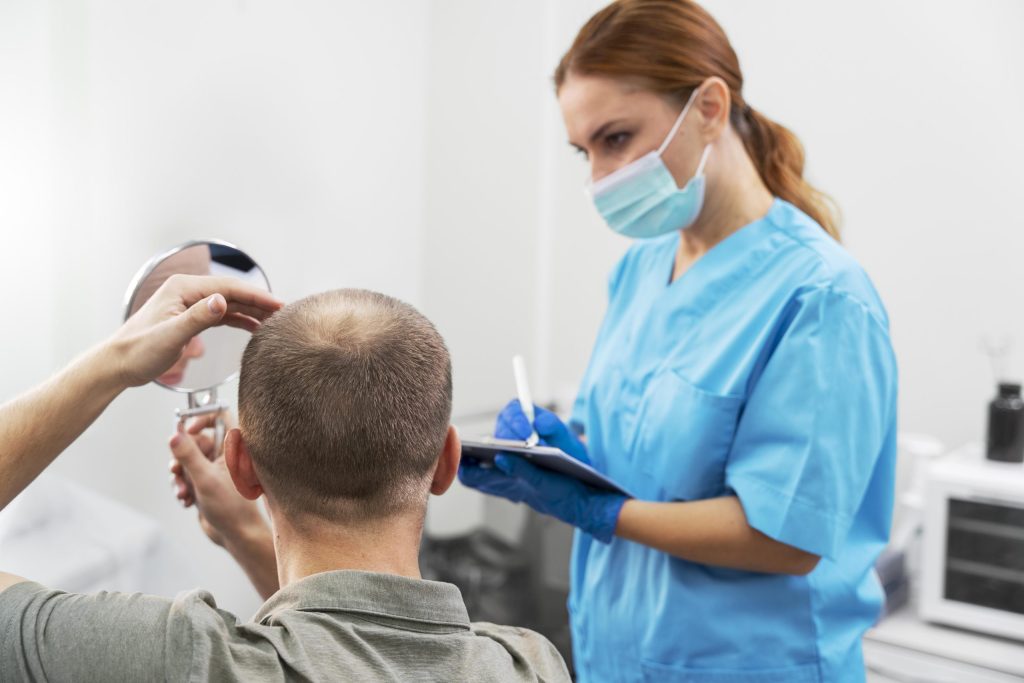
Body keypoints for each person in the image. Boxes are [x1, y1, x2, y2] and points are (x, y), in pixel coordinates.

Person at [458, 1, 898, 682]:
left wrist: (600, 510)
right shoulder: (641, 269)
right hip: (618, 656)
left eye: (617, 138)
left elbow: (784, 536)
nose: (599, 176)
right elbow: (648, 452)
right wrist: (560, 459)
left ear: (710, 108)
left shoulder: (822, 296)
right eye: (585, 151)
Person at [0, 285, 570, 682]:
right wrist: (246, 535)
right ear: (447, 461)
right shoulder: (530, 666)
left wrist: (117, 359)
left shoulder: (179, 659)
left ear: (240, 465)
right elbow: (354, 648)